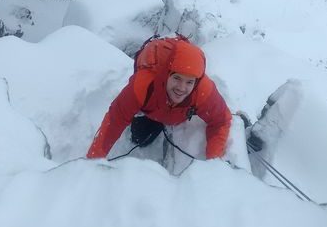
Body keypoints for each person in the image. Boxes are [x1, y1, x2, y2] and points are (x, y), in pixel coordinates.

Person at [86, 37, 232, 160]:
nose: (181, 88)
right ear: (166, 74)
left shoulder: (203, 91)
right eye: (177, 78)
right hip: (153, 109)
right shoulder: (142, 85)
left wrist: (213, 162)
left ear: (197, 81)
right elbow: (115, 118)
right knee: (139, 138)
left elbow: (221, 119)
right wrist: (93, 160)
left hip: (177, 112)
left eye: (189, 82)